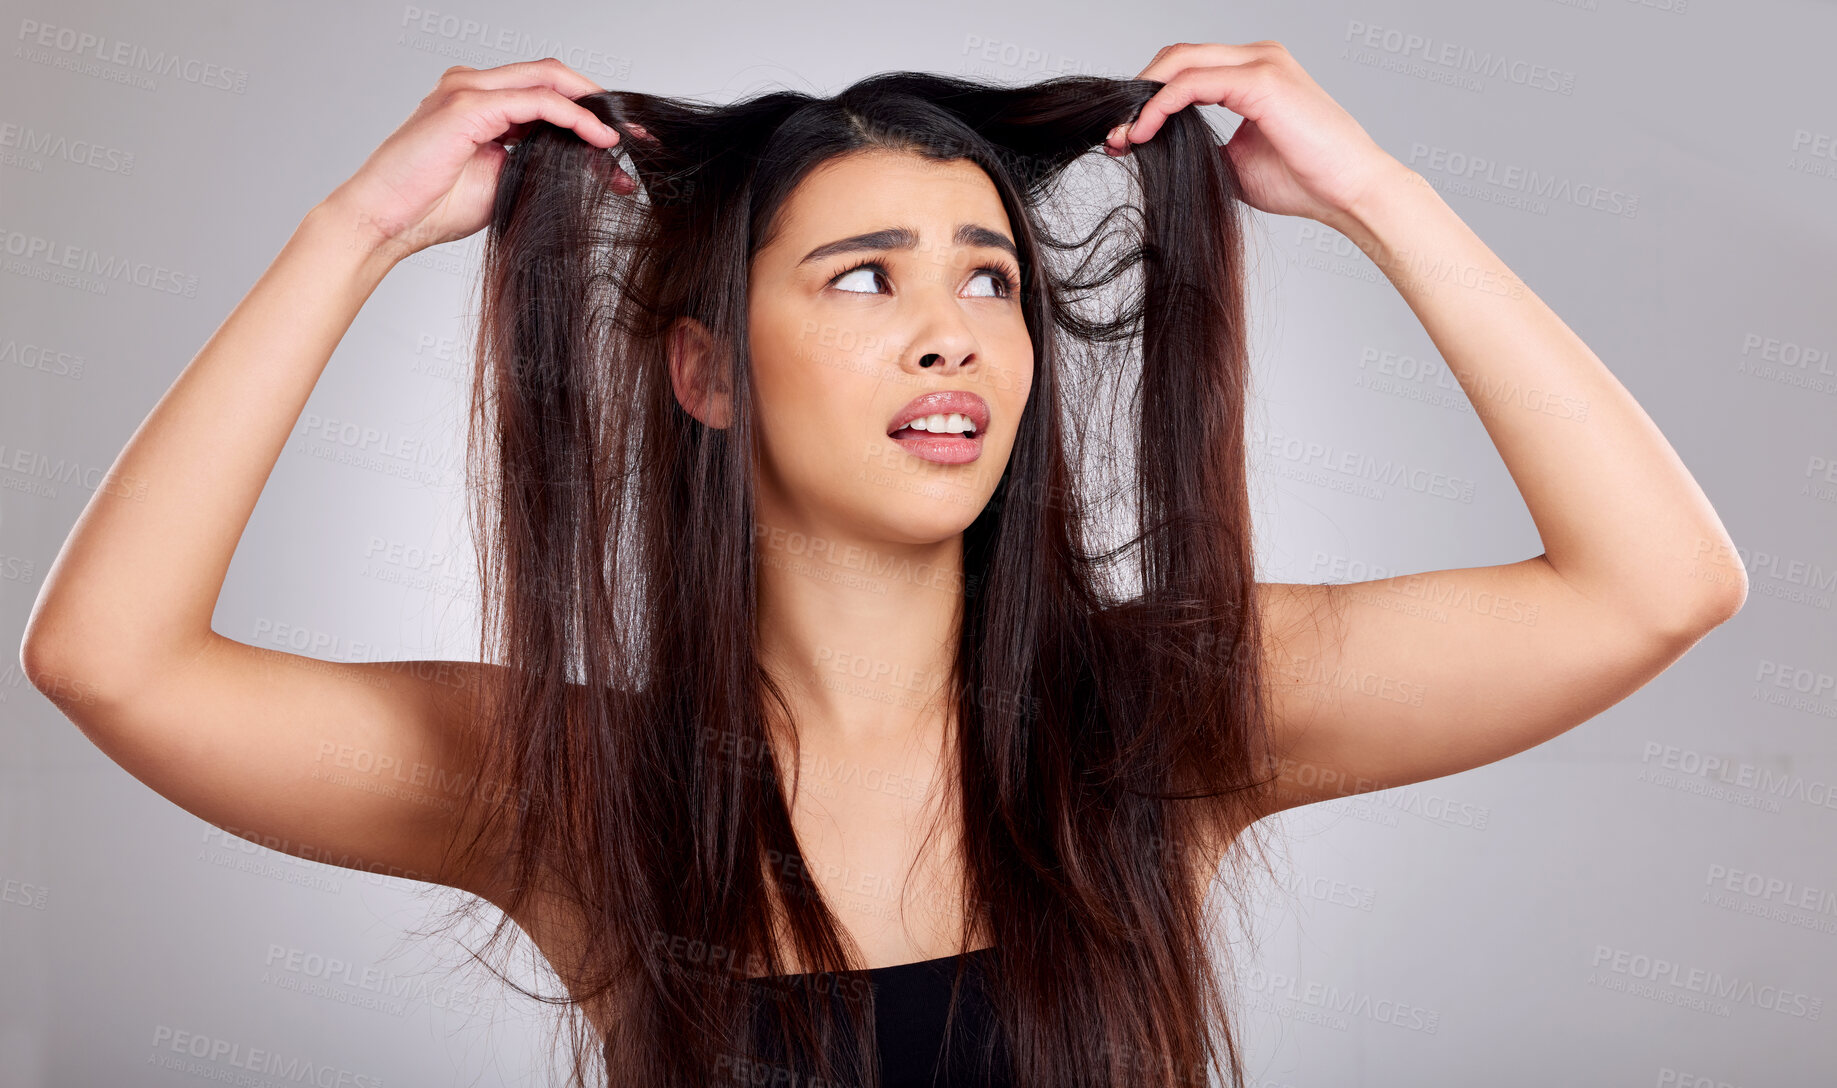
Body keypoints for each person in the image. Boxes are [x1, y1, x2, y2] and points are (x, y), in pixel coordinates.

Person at [20, 42, 1747, 1088]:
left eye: (988, 281)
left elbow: (1653, 582)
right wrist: (355, 233)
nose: (951, 339)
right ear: (702, 370)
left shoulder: (1159, 715)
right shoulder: (572, 785)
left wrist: (1378, 195)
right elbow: (112, 660)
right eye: (864, 279)